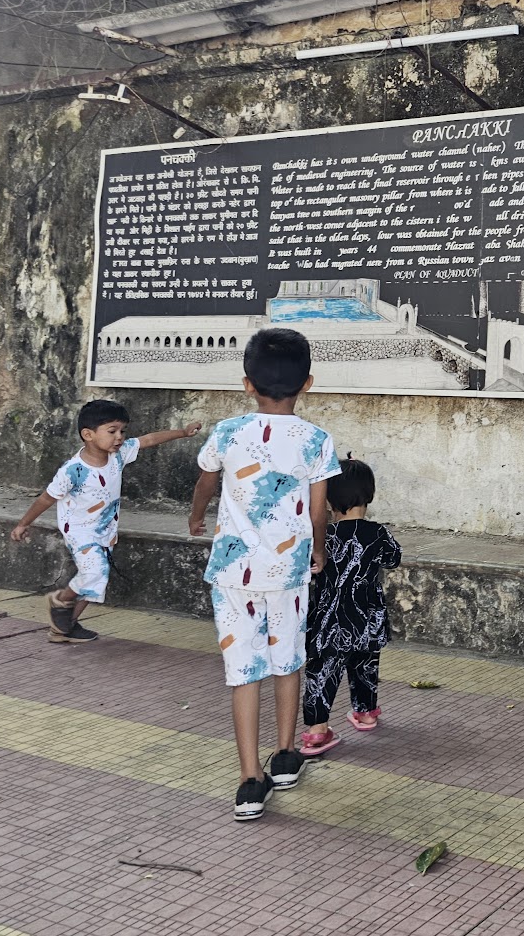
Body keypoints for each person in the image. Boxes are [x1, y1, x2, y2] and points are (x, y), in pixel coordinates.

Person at [188, 327, 340, 821]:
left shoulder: (227, 432)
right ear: (308, 383)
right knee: (287, 660)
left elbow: (206, 483)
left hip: (233, 572)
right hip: (288, 571)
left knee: (244, 672)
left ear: (247, 384)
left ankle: (250, 781)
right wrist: (319, 551)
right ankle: (286, 756)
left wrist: (196, 517)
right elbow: (318, 512)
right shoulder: (316, 440)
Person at [11, 400, 202, 643]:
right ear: (88, 434)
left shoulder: (118, 454)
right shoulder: (73, 470)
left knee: (97, 580)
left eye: (122, 431)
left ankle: (64, 627)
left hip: (105, 531)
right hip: (79, 531)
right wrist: (23, 523)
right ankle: (60, 601)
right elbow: (46, 498)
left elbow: (149, 439)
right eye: (112, 431)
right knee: (95, 571)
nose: (119, 437)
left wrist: (183, 432)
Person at [300, 457, 403, 756]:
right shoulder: (378, 532)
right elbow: (393, 558)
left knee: (322, 671)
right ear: (369, 494)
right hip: (367, 617)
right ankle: (366, 713)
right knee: (365, 665)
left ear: (328, 498)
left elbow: (307, 567)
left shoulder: (323, 536)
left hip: (329, 620)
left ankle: (317, 731)